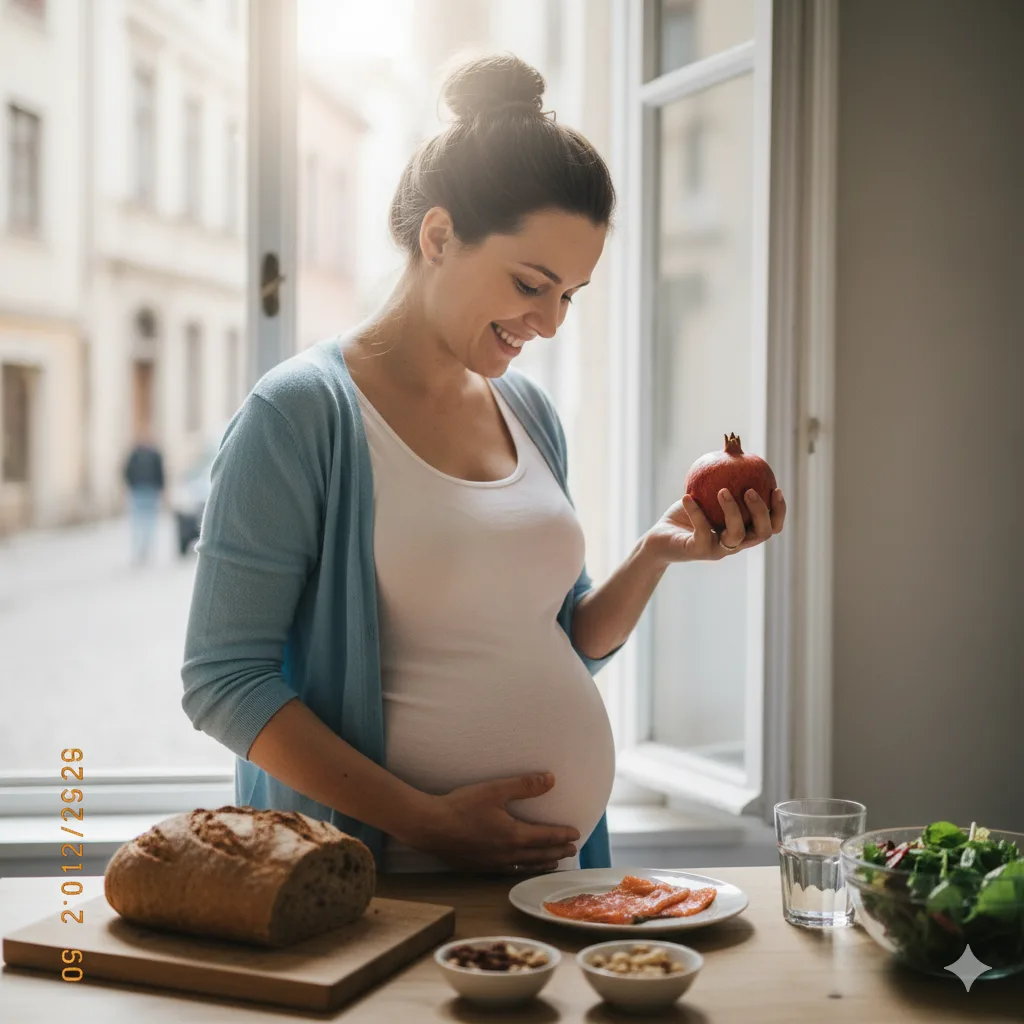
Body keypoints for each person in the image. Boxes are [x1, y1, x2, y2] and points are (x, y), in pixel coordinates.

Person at [181, 55, 785, 876]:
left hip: (557, 882)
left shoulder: (528, 412)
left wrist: (655, 553)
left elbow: (559, 640)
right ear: (438, 236)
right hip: (384, 886)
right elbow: (223, 679)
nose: (549, 321)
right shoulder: (300, 415)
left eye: (569, 294)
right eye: (532, 284)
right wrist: (424, 821)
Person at [123, 433, 165, 565]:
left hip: (141, 491)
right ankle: (144, 551)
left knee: (140, 523)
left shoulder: (136, 455)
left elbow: (126, 472)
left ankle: (142, 551)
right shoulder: (152, 455)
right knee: (147, 523)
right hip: (146, 491)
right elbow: (161, 474)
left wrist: (131, 485)